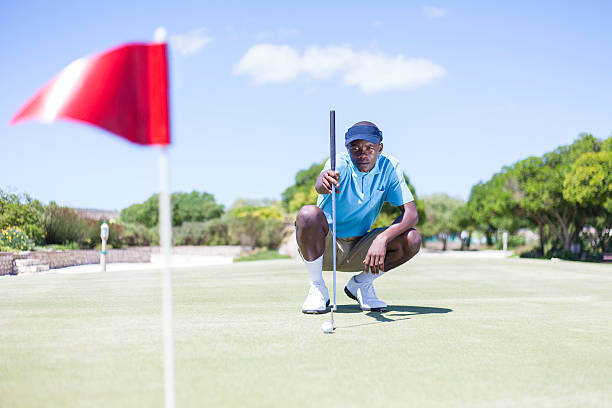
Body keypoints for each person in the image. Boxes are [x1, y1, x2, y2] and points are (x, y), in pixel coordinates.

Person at [296, 121, 422, 314]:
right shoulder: (338, 163)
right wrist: (323, 181)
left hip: (361, 249)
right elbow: (321, 183)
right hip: (325, 247)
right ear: (347, 148)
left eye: (369, 147)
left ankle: (361, 284)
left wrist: (382, 238)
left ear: (380, 148)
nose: (362, 154)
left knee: (412, 238)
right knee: (308, 214)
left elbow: (411, 214)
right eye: (355, 148)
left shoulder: (390, 166)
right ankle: (317, 287)